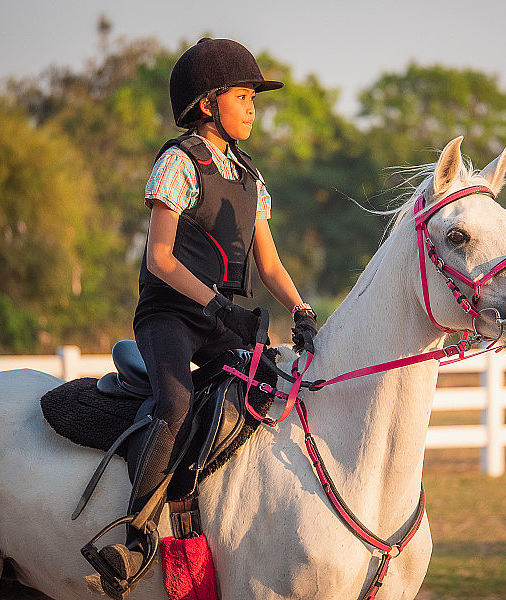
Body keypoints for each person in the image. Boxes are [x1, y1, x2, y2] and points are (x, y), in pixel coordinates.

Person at [87, 37, 318, 598]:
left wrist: (302, 310)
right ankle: (134, 536)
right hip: (169, 313)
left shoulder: (249, 177)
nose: (252, 109)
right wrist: (215, 305)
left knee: (268, 389)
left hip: (219, 319)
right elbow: (159, 258)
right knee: (176, 403)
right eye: (244, 97)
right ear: (211, 102)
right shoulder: (177, 162)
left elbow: (268, 263)